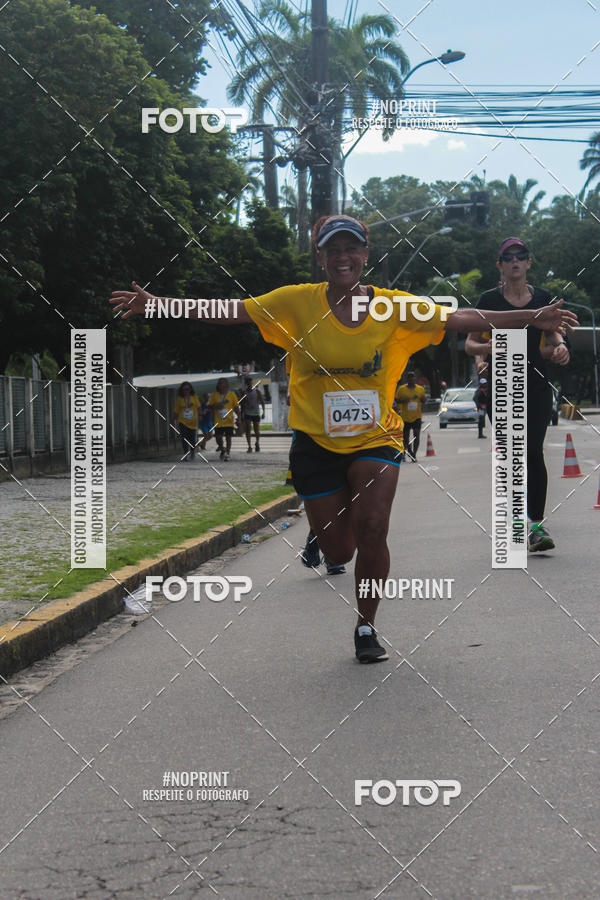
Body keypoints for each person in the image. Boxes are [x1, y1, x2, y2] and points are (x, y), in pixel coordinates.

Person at [111, 216, 577, 662]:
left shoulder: (392, 306)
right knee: (340, 550)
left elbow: (460, 317)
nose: (343, 257)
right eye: (333, 250)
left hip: (376, 438)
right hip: (315, 443)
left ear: (364, 255)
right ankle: (332, 532)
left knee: (375, 526)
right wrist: (157, 303)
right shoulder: (296, 301)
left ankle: (366, 626)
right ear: (321, 258)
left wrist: (533, 316)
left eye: (351, 248)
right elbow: (231, 311)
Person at [465, 237, 572, 552]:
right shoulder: (488, 299)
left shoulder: (542, 298)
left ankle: (536, 527)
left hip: (536, 385)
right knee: (512, 457)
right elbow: (470, 343)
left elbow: (553, 333)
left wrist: (561, 347)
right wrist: (487, 349)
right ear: (500, 265)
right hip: (501, 386)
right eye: (508, 257)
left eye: (520, 256)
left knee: (533, 452)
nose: (514, 261)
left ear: (528, 262)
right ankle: (514, 521)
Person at [393, 371, 426, 461]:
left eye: (413, 377)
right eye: (409, 378)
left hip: (417, 416)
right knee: (405, 437)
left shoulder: (420, 389)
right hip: (405, 417)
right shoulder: (401, 389)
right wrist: (403, 400)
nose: (411, 379)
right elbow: (396, 400)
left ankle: (414, 454)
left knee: (416, 435)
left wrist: (422, 398)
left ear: (415, 379)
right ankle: (410, 451)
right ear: (407, 379)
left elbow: (424, 400)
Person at [208, 378, 239, 461]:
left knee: (228, 438)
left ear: (226, 385)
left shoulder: (231, 394)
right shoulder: (214, 395)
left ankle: (227, 454)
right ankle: (222, 448)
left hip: (229, 420)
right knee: (218, 438)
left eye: (223, 383)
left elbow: (236, 407)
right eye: (220, 383)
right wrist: (216, 405)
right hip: (218, 421)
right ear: (218, 385)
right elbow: (210, 406)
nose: (221, 385)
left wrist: (239, 418)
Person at [172, 382, 201, 460]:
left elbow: (198, 407)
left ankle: (192, 451)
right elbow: (176, 410)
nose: (186, 391)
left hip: (193, 422)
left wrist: (201, 415)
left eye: (187, 389)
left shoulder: (194, 397)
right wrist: (173, 419)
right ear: (181, 390)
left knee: (192, 438)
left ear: (190, 389)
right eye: (184, 389)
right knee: (184, 437)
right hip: (183, 421)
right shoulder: (180, 399)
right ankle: (185, 453)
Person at [240, 376, 265, 452]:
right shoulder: (244, 393)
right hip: (247, 413)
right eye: (248, 383)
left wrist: (264, 412)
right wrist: (241, 415)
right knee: (248, 430)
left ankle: (257, 443)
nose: (250, 384)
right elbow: (242, 404)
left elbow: (262, 402)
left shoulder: (257, 392)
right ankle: (249, 446)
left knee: (256, 430)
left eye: (251, 383)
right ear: (246, 384)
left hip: (256, 413)